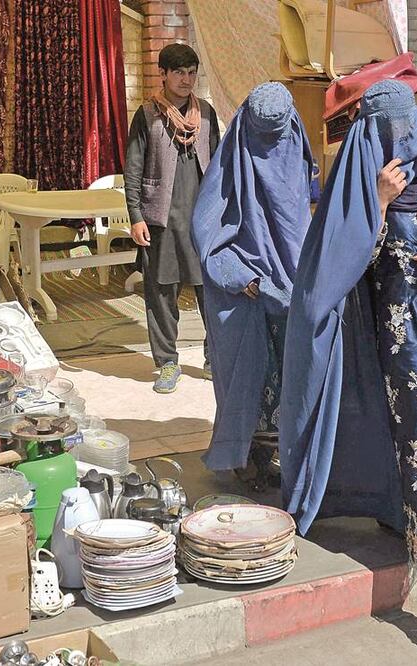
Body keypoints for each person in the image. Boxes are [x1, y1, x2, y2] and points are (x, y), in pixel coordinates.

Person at [281, 80, 417, 634]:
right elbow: (342, 265)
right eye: (393, 127)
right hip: (401, 336)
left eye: (411, 123)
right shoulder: (362, 180)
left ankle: (413, 518)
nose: (406, 137)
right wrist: (380, 202)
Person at [191, 82, 313, 474]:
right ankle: (246, 457)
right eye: (263, 138)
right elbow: (207, 233)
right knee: (248, 382)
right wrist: (244, 278)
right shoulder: (230, 167)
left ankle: (285, 457)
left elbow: (296, 221)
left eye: (277, 136)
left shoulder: (294, 148)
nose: (270, 149)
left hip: (293, 289)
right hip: (244, 294)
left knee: (294, 379)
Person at [124, 43, 219, 394]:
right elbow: (133, 169)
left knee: (212, 293)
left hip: (202, 221)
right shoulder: (147, 115)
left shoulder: (205, 114)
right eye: (179, 72)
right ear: (162, 73)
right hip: (160, 219)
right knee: (161, 295)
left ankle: (214, 358)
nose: (186, 79)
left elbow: (219, 167)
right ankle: (167, 362)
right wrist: (136, 216)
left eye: (191, 72)